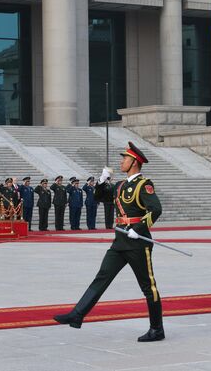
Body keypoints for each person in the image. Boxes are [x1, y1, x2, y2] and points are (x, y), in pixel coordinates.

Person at [54, 142, 164, 342]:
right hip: (120, 242)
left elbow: (155, 209)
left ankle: (157, 329)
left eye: (125, 158)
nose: (122, 161)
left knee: (148, 287)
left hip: (137, 243)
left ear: (134, 162)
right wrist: (101, 182)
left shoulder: (143, 185)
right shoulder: (121, 185)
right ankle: (77, 314)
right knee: (102, 276)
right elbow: (100, 197)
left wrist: (137, 229)